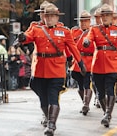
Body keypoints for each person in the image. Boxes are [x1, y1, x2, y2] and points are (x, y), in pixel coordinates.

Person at [18, 4, 86, 135]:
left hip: (56, 69)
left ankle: (51, 125)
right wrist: (22, 38)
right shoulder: (37, 29)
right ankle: (48, 117)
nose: (49, 19)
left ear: (57, 17)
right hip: (40, 70)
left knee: (53, 97)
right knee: (43, 98)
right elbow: (28, 38)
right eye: (47, 16)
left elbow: (73, 48)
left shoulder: (65, 31)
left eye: (52, 16)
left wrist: (81, 63)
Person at [83, 3, 117, 127]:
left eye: (108, 15)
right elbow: (89, 37)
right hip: (97, 64)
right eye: (103, 15)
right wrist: (86, 41)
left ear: (112, 16)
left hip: (112, 64)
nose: (105, 18)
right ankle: (106, 112)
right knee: (100, 92)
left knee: (110, 89)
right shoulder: (95, 29)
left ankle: (108, 113)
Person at [71, 10, 95, 115]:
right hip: (77, 62)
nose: (83, 23)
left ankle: (86, 104)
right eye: (82, 21)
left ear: (89, 21)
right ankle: (85, 102)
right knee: (80, 86)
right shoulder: (74, 32)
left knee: (87, 84)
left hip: (89, 61)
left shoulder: (93, 32)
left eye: (86, 21)